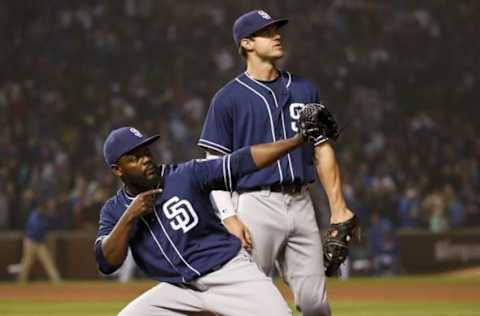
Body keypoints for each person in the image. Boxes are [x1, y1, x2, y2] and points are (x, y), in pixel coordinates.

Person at [198, 10, 355, 315]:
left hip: (300, 202)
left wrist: (338, 207)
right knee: (245, 300)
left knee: (315, 304)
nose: (277, 35)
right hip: (255, 204)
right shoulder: (228, 98)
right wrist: (229, 216)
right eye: (267, 32)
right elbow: (213, 165)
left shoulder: (305, 89)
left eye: (276, 30)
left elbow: (322, 149)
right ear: (247, 43)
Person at [95, 126, 313, 315]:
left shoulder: (185, 175)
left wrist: (298, 140)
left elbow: (239, 162)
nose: (146, 159)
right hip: (180, 290)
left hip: (228, 273)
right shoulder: (114, 210)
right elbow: (107, 263)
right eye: (135, 157)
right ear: (118, 169)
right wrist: (129, 216)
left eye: (146, 152)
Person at [17, 197, 62, 283]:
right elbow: (36, 230)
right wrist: (46, 224)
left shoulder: (43, 216)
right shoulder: (34, 216)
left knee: (48, 262)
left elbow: (51, 223)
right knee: (26, 263)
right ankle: (21, 280)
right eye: (43, 209)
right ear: (39, 208)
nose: (44, 210)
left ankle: (56, 280)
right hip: (31, 242)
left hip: (39, 243)